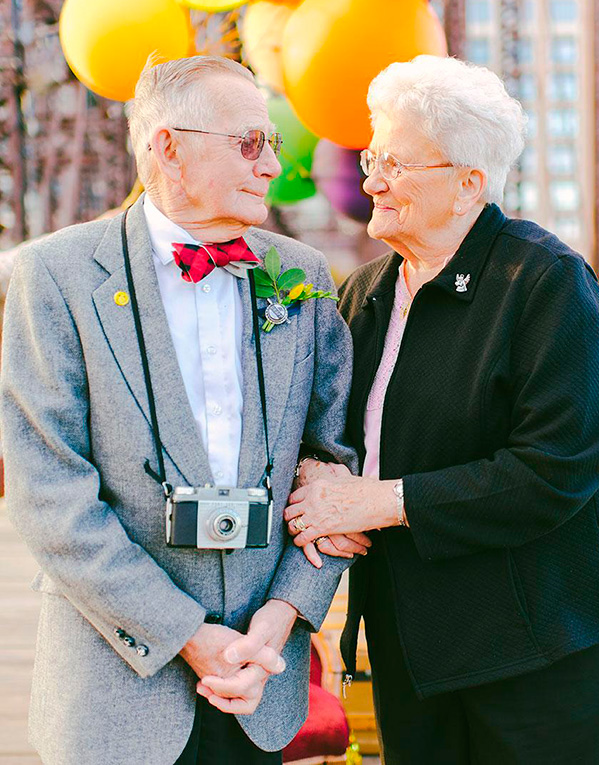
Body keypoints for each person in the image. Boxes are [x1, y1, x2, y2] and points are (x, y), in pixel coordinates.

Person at [0, 55, 360, 765]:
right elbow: (49, 494)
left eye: (272, 143)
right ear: (167, 146)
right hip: (114, 697)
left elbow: (334, 463)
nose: (271, 165)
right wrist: (187, 633)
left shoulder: (302, 274)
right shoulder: (56, 275)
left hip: (264, 683)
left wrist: (282, 616)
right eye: (249, 142)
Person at [285, 55, 599, 765]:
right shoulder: (367, 292)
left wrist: (373, 502)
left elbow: (554, 470)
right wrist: (316, 489)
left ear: (470, 183)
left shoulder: (545, 282)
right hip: (415, 647)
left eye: (396, 163)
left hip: (541, 651)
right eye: (370, 157)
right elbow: (336, 446)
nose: (371, 178)